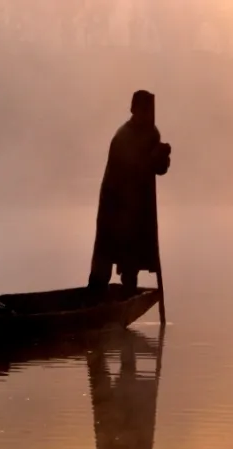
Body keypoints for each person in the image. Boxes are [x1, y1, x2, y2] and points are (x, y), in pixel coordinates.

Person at [89, 90, 171, 296]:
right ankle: (95, 296)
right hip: (115, 202)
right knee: (106, 252)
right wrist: (152, 158)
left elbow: (157, 169)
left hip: (137, 206)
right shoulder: (123, 136)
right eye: (143, 110)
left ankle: (127, 294)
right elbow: (128, 168)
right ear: (134, 110)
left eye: (149, 111)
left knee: (131, 256)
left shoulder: (152, 133)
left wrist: (162, 157)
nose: (146, 115)